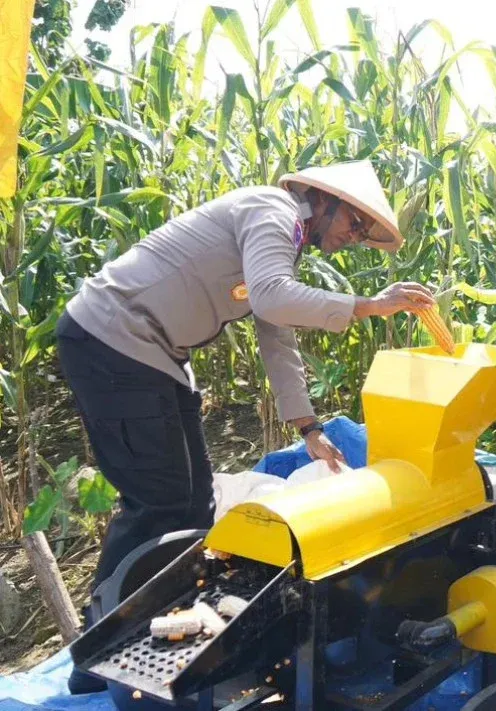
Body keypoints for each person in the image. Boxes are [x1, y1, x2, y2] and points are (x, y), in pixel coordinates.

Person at [57, 160, 435, 617]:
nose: (352, 238)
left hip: (155, 355)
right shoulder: (272, 209)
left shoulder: (282, 240)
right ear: (323, 200)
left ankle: (166, 616)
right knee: (158, 502)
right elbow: (274, 297)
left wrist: (309, 428)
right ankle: (102, 636)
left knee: (196, 500)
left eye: (361, 235)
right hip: (114, 339)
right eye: (355, 224)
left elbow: (277, 333)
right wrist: (367, 306)